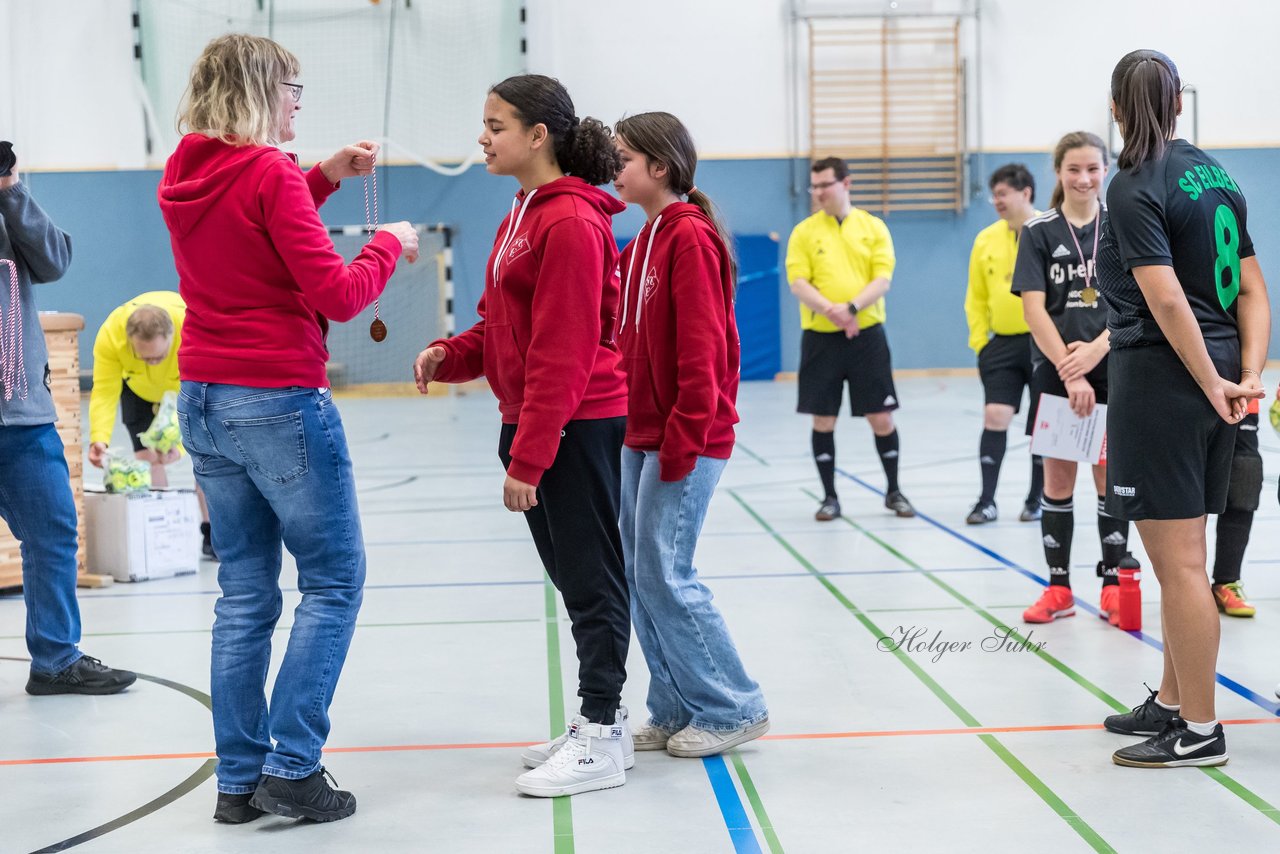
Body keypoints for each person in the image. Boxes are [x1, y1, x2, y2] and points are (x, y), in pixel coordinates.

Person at [158, 34, 419, 822]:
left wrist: (325, 178)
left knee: (243, 596)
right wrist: (388, 245)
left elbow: (253, 216)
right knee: (334, 582)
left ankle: (238, 783)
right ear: (260, 90)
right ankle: (294, 767)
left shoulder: (185, 166)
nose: (299, 101)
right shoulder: (266, 170)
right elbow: (338, 295)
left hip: (203, 396)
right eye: (292, 87)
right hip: (275, 396)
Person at [413, 74, 631, 797]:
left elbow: (565, 350)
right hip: (532, 419)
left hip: (576, 423)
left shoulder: (569, 222)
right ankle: (606, 718)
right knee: (573, 579)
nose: (482, 136)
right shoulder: (523, 212)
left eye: (495, 123)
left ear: (539, 136)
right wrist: (454, 355)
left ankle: (602, 731)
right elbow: (506, 326)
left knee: (592, 580)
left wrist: (532, 455)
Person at [1098, 49, 1268, 769]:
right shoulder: (1216, 174)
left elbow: (1166, 299)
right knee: (1188, 559)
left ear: (1114, 109)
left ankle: (1200, 729)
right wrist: (1245, 376)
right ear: (1176, 104)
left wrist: (1206, 381)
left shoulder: (1133, 184)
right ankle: (1171, 704)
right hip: (1223, 373)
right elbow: (1255, 290)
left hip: (1169, 382)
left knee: (1180, 566)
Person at [610, 111, 769, 758]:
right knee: (639, 571)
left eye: (623, 159)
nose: (614, 169)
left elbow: (703, 354)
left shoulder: (690, 238)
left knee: (668, 573)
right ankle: (675, 703)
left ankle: (734, 707)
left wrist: (681, 440)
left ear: (660, 167)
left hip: (687, 437)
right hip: (640, 432)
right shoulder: (644, 238)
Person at [0, 147, 136, 697]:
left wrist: (11, 190)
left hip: (22, 417)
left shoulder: (10, 210)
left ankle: (55, 660)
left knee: (53, 534)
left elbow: (54, 260)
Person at [1012, 132, 1134, 625]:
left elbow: (1136, 301)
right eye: (1073, 170)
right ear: (1057, 173)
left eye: (1093, 169)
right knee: (1058, 479)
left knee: (1110, 480)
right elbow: (1033, 308)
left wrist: (1098, 350)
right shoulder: (1038, 230)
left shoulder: (1123, 226)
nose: (1084, 179)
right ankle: (1058, 588)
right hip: (1056, 372)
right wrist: (1069, 365)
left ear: (1106, 170)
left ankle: (1111, 584)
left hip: (1114, 368)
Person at [785, 157, 914, 522]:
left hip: (867, 338)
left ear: (846, 184)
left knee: (881, 417)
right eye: (815, 186)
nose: (819, 192)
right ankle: (829, 497)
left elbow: (882, 278)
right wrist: (834, 312)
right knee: (823, 419)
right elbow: (798, 282)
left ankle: (894, 491)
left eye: (826, 184)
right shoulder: (804, 232)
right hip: (820, 339)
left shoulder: (873, 228)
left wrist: (853, 309)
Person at [87, 291, 215, 558]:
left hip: (188, 384)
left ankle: (211, 533)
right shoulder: (111, 337)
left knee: (207, 458)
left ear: (172, 336)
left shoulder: (193, 326)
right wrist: (99, 438)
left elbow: (207, 394)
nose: (153, 362)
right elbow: (104, 392)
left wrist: (180, 446)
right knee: (148, 459)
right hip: (137, 388)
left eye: (158, 356)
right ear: (130, 342)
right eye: (145, 357)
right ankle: (164, 532)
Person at [963, 163, 1045, 525]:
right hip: (1002, 346)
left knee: (1043, 425)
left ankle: (1036, 499)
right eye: (994, 194)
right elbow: (975, 296)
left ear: (1025, 192)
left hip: (1045, 345)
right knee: (995, 415)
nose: (996, 201)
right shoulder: (985, 239)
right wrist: (981, 343)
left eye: (1002, 194)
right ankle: (986, 500)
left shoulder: (1049, 229)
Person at [1207, 401, 1261, 617]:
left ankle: (1226, 582)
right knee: (1191, 485)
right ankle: (1186, 582)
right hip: (1191, 397)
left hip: (1242, 402)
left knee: (1245, 478)